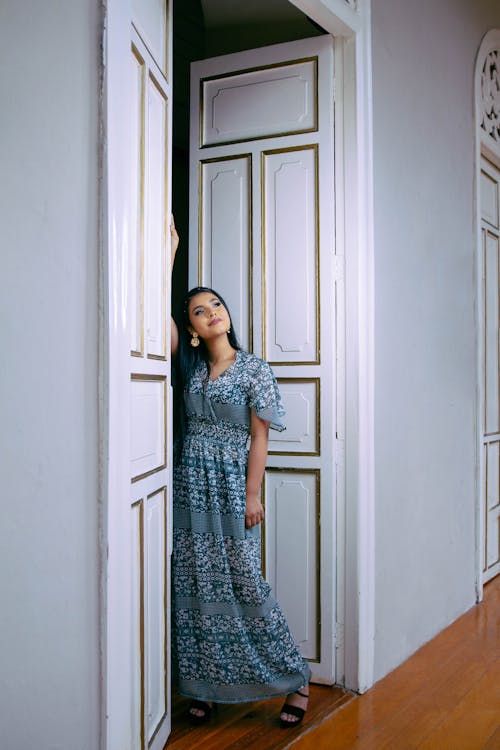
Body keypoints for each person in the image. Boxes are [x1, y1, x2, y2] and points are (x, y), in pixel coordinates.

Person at [170, 218, 310, 728]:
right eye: (198, 311)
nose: (211, 313)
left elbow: (260, 438)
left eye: (216, 305)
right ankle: (202, 686)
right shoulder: (188, 369)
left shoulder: (254, 369)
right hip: (190, 485)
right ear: (191, 327)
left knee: (245, 582)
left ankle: (294, 680)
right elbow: (158, 328)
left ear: (228, 315)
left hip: (231, 485)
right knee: (194, 586)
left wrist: (253, 496)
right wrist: (168, 255)